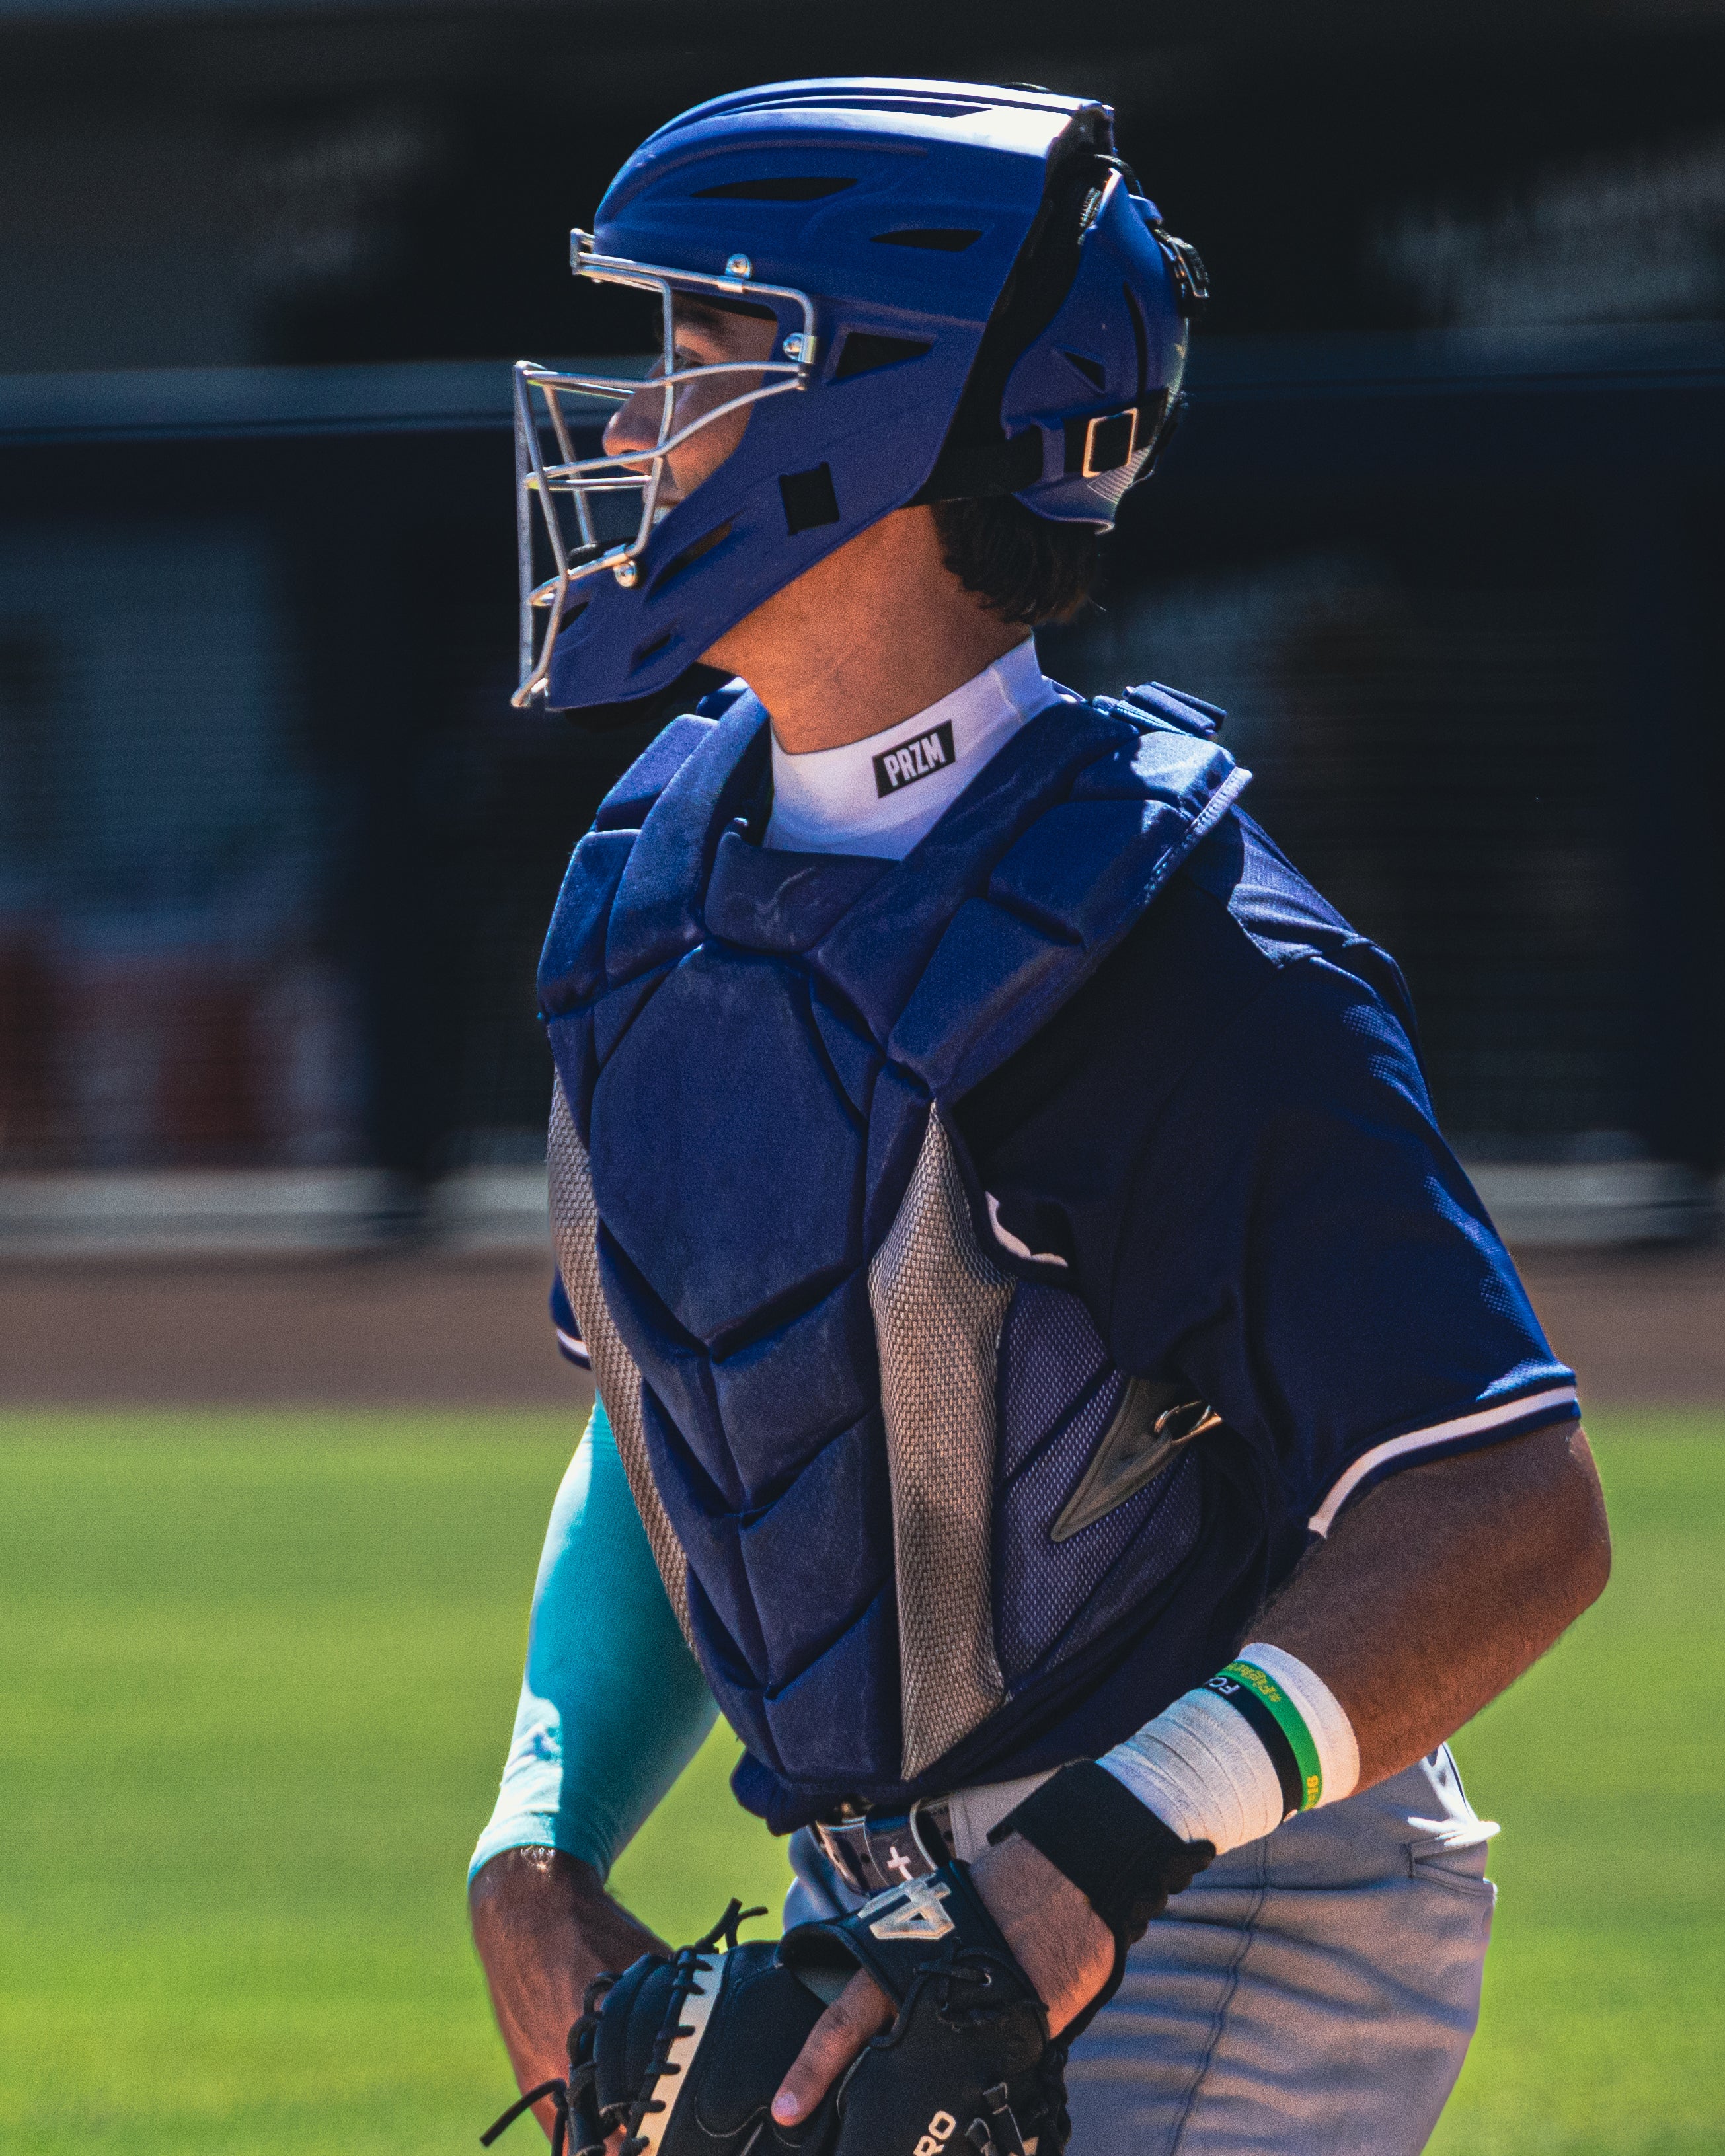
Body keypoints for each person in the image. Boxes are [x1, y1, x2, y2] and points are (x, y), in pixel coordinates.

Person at [469, 78, 1610, 2155]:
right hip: (892, 1908)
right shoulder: (660, 882)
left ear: (868, 420)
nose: (631, 429)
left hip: (1224, 1896)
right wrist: (536, 1839)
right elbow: (683, 1415)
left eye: (699, 356)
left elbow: (1508, 1510)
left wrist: (1099, 1855)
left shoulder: (1173, 951)